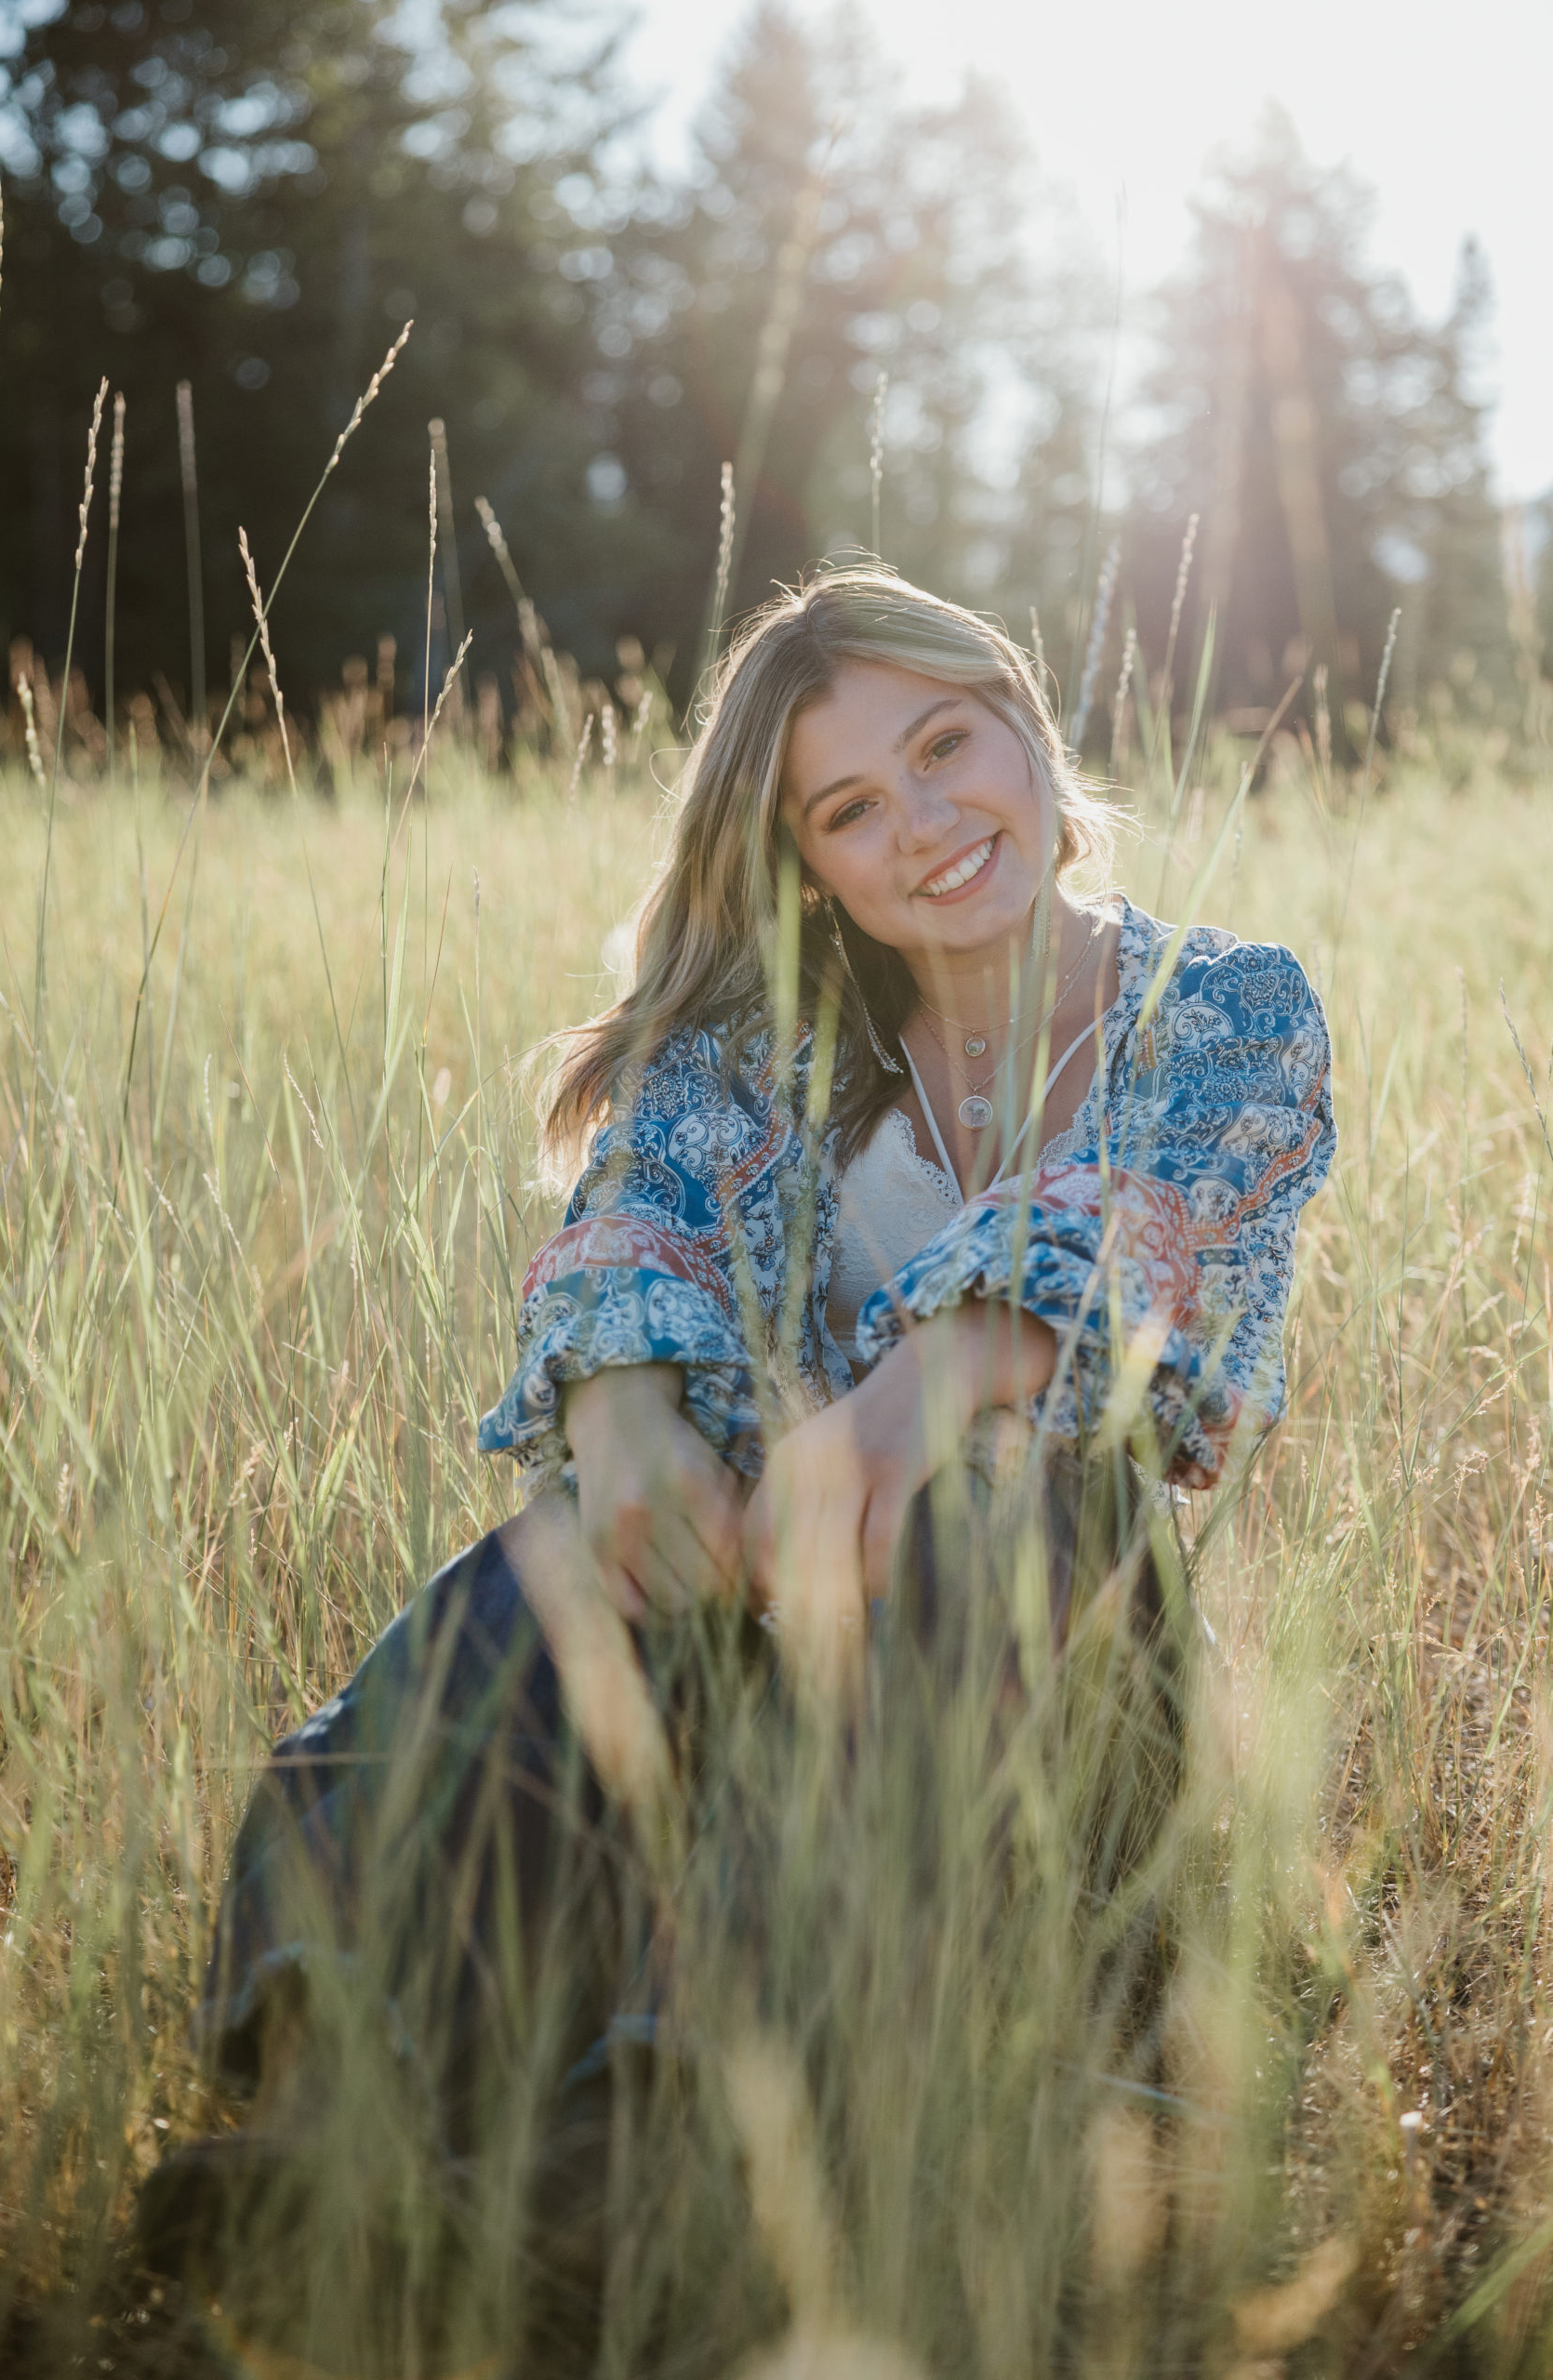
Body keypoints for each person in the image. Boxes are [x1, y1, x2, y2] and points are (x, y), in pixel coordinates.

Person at [165, 569, 1334, 2301]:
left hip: (1045, 1662)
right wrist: (629, 1419)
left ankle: (677, 2142)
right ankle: (353, 2093)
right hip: (763, 1640)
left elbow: (1123, 1237)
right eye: (853, 807)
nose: (926, 822)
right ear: (810, 864)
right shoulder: (769, 1044)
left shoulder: (1230, 1011)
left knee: (988, 1495)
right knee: (568, 1548)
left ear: (1025, 723)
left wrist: (888, 1416)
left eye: (947, 746)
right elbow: (636, 1230)